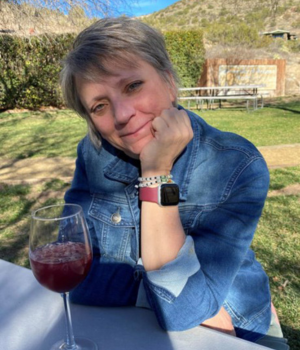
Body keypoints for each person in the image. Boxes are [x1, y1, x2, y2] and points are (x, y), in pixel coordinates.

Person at [60, 17, 289, 349]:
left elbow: (181, 311)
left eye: (133, 86)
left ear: (168, 81)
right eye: (99, 106)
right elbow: (70, 272)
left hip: (239, 330)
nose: (122, 114)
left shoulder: (237, 163)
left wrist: (155, 174)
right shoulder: (93, 154)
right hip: (135, 325)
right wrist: (150, 291)